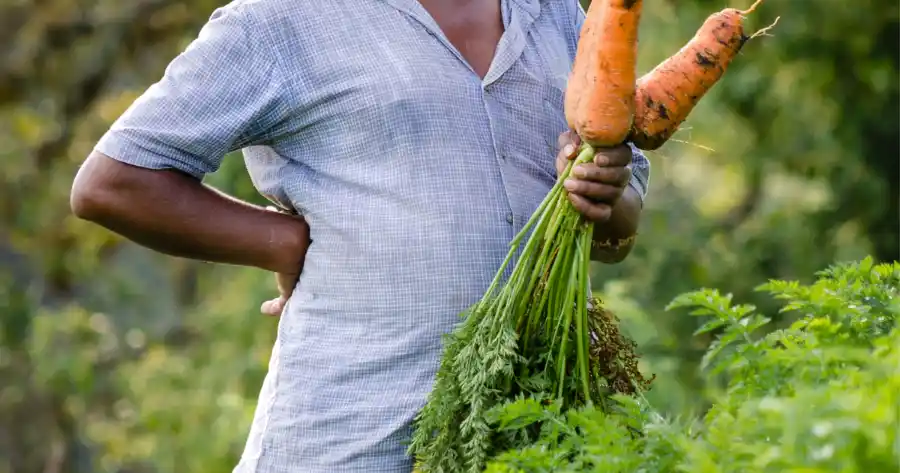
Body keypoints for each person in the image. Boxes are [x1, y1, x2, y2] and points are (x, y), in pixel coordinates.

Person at [69, 0, 651, 471]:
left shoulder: (561, 16)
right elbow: (115, 182)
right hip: (351, 440)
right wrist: (284, 243)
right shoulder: (281, 20)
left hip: (531, 432)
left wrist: (607, 195)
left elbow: (620, 228)